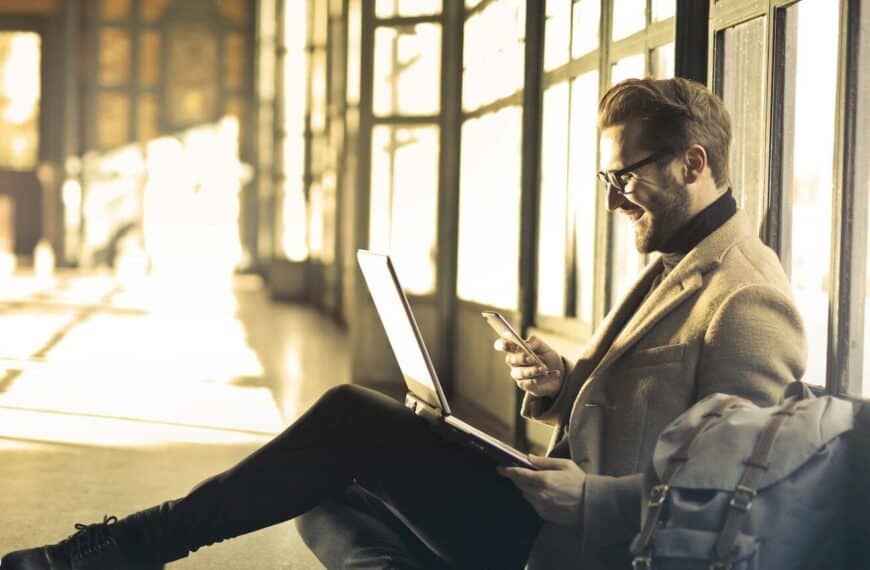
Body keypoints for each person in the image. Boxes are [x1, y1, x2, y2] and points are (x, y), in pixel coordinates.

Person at [1, 77, 806, 570]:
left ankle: (129, 549)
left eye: (625, 175)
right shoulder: (671, 260)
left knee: (347, 422)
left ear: (693, 164)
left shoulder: (746, 300)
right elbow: (633, 408)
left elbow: (743, 496)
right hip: (545, 504)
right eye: (607, 176)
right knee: (317, 491)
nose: (612, 199)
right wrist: (559, 386)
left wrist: (594, 500)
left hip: (583, 537)